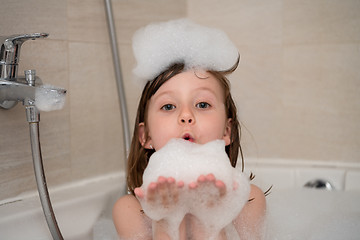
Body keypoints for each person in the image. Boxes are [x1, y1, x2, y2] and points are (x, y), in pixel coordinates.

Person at [113, 19, 267, 239]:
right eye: (169, 106)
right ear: (145, 136)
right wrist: (165, 219)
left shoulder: (248, 201)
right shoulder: (130, 210)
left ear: (227, 131)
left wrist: (210, 219)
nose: (186, 116)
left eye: (202, 104)